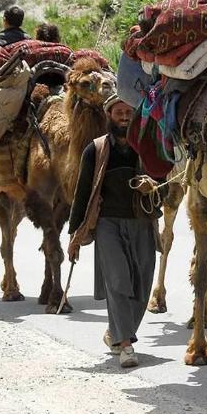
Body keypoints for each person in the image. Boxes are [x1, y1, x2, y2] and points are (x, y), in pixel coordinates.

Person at [67, 94, 164, 368]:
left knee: (143, 284)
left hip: (142, 223)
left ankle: (117, 332)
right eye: (118, 111)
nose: (123, 116)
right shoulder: (95, 150)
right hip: (108, 225)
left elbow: (165, 185)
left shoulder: (147, 148)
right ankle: (125, 345)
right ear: (110, 115)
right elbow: (82, 193)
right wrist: (74, 236)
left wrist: (153, 186)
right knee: (119, 280)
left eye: (128, 112)